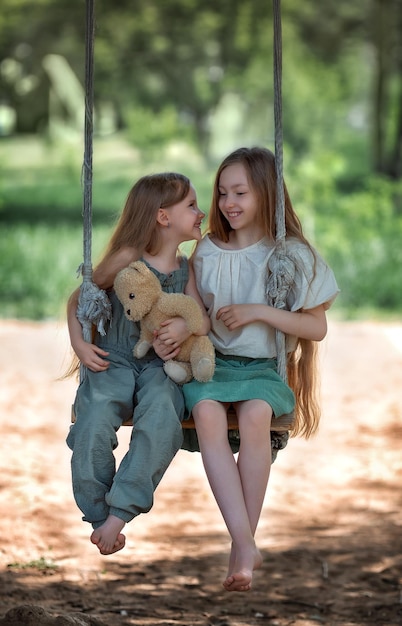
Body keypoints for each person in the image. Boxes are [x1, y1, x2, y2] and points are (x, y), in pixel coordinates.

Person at [181, 147, 339, 592]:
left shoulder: (286, 254)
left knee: (255, 418)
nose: (229, 202)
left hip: (262, 369)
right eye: (223, 192)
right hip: (212, 366)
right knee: (208, 414)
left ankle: (241, 549)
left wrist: (258, 311)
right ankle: (245, 543)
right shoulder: (206, 251)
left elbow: (316, 326)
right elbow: (195, 310)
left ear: (266, 194)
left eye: (241, 193)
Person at [66, 172, 209, 556]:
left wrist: (184, 324)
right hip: (112, 359)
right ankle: (98, 515)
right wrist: (80, 345)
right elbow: (80, 299)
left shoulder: (186, 266)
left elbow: (200, 316)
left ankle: (120, 513)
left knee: (163, 413)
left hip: (161, 367)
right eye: (192, 205)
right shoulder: (128, 259)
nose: (202, 212)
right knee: (94, 417)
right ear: (163, 217)